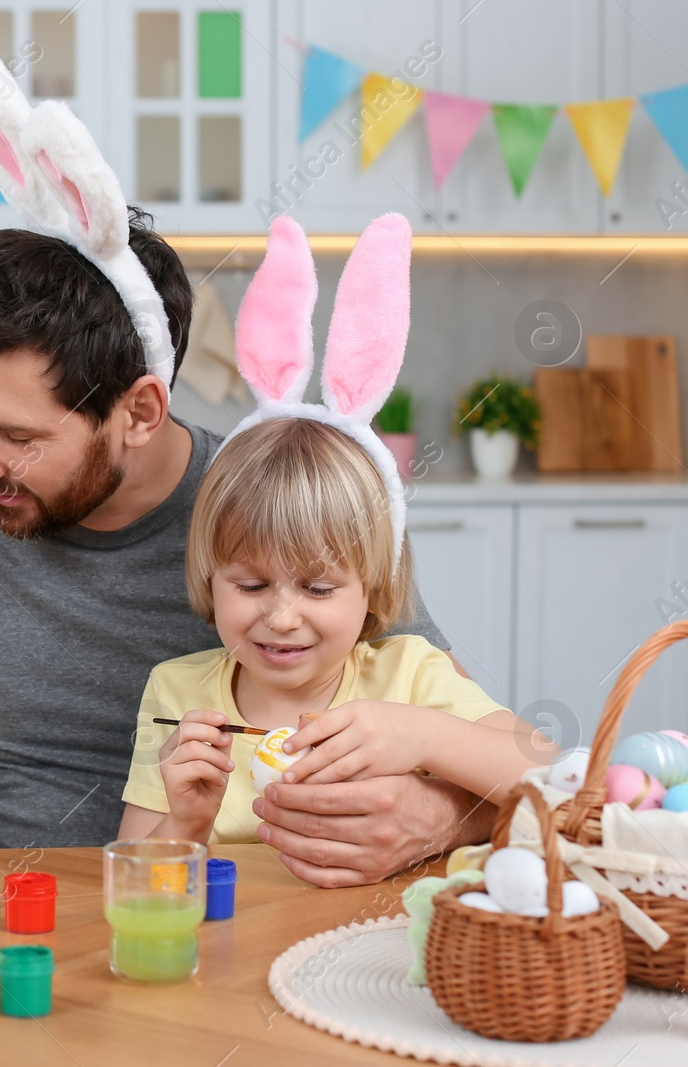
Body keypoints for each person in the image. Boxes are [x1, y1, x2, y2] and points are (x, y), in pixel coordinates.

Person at [0, 27, 492, 885]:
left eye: (19, 437)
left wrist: (434, 819)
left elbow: (489, 756)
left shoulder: (273, 502)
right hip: (23, 916)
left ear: (139, 412)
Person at [120, 216, 539, 848]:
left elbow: (558, 779)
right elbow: (132, 875)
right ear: (211, 578)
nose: (282, 618)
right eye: (252, 583)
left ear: (372, 588)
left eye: (317, 588)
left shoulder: (411, 676)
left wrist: (423, 734)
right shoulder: (177, 692)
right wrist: (185, 822)